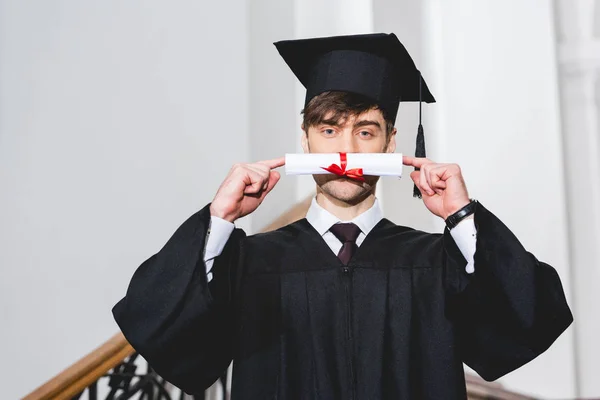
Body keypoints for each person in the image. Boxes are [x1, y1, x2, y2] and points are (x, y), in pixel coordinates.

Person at [112, 33, 573, 399]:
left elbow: (531, 315)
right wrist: (218, 219)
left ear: (391, 143)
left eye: (366, 131)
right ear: (306, 140)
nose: (346, 151)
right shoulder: (249, 261)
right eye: (329, 130)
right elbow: (156, 322)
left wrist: (462, 216)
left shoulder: (436, 260)